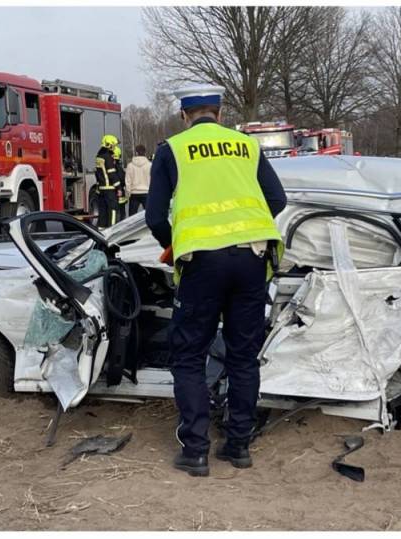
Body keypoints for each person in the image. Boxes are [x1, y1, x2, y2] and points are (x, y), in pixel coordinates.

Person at [145, 84, 287, 477]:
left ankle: (196, 451)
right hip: (252, 260)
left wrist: (175, 243)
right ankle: (238, 445)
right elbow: (277, 200)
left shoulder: (172, 149)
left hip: (201, 264)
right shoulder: (246, 145)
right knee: (244, 355)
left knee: (189, 355)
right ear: (220, 114)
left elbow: (155, 216)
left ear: (184, 116)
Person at [94, 135, 125, 228]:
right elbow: (112, 174)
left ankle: (101, 229)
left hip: (101, 188)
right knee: (113, 209)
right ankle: (112, 229)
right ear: (109, 145)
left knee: (103, 211)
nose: (114, 147)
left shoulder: (99, 156)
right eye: (114, 145)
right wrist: (119, 188)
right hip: (110, 188)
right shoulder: (107, 157)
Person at [125, 144, 152, 215]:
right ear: (145, 152)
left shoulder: (130, 165)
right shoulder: (150, 165)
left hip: (134, 193)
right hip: (147, 192)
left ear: (136, 152)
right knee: (150, 215)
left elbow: (128, 181)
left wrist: (128, 193)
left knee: (132, 217)